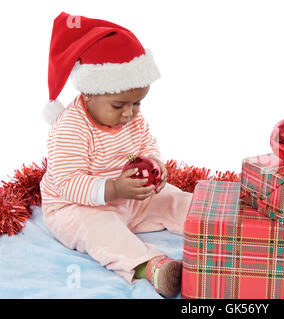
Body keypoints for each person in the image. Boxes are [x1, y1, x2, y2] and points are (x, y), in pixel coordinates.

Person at [39, 12, 193, 298]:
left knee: (174, 198)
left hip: (129, 197)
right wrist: (112, 188)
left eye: (137, 103)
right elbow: (67, 182)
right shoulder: (72, 126)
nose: (129, 113)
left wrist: (157, 169)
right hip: (76, 207)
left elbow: (148, 144)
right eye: (119, 104)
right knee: (102, 233)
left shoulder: (133, 118)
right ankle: (150, 266)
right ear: (89, 93)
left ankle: (214, 228)